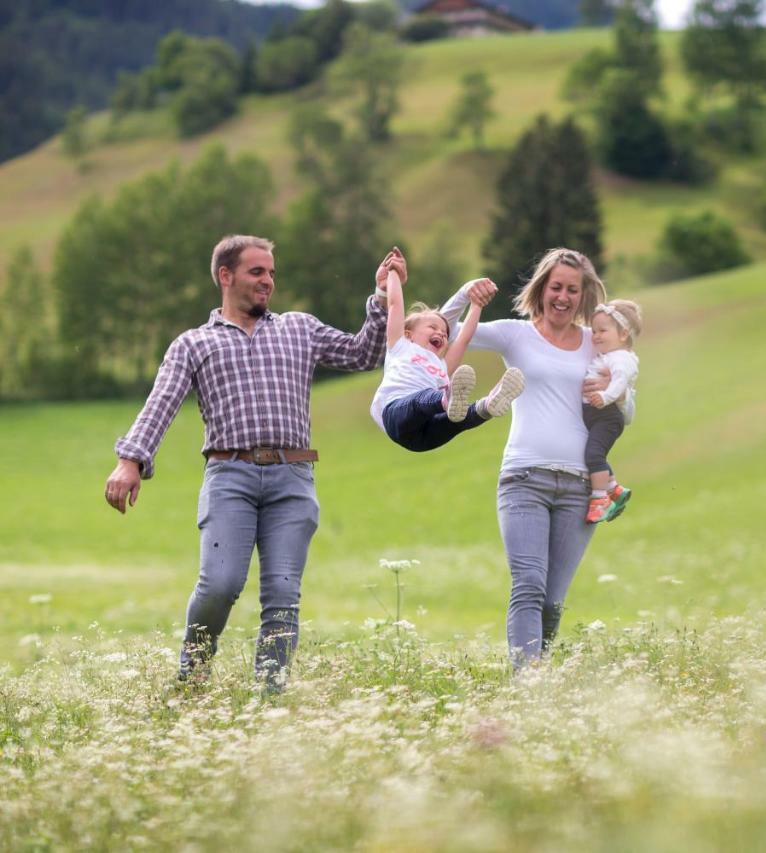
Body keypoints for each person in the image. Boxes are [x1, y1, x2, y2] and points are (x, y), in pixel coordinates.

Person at [103, 234, 402, 690]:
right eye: (257, 272)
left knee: (282, 597)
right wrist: (130, 461)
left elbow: (363, 353)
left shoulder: (299, 328)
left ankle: (270, 696)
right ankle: (193, 676)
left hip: (293, 478)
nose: (268, 282)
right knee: (220, 584)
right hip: (231, 477)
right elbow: (160, 404)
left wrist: (382, 295)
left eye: (272, 273)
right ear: (226, 276)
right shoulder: (193, 344)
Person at [438, 247, 610, 666]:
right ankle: (526, 688)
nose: (563, 297)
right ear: (542, 289)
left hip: (579, 487)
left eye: (573, 289)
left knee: (552, 602)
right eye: (556, 287)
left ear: (583, 295)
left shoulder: (596, 344)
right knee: (529, 586)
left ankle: (539, 675)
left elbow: (626, 406)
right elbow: (442, 330)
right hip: (524, 480)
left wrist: (609, 390)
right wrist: (465, 294)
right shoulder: (516, 335)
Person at [369, 269, 524, 452]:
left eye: (445, 332)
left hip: (424, 437)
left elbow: (464, 337)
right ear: (408, 334)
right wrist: (393, 272)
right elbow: (395, 304)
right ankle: (446, 400)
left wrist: (477, 305)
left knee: (456, 420)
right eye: (433, 327)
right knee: (421, 399)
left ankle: (487, 406)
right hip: (397, 414)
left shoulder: (442, 365)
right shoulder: (400, 346)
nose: (441, 333)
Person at [582, 299, 642, 524]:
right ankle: (614, 489)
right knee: (594, 451)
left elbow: (619, 382)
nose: (596, 335)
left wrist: (606, 396)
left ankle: (600, 499)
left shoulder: (622, 358)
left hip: (607, 415)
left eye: (602, 331)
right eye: (594, 331)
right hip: (598, 413)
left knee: (594, 454)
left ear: (623, 333)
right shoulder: (608, 355)